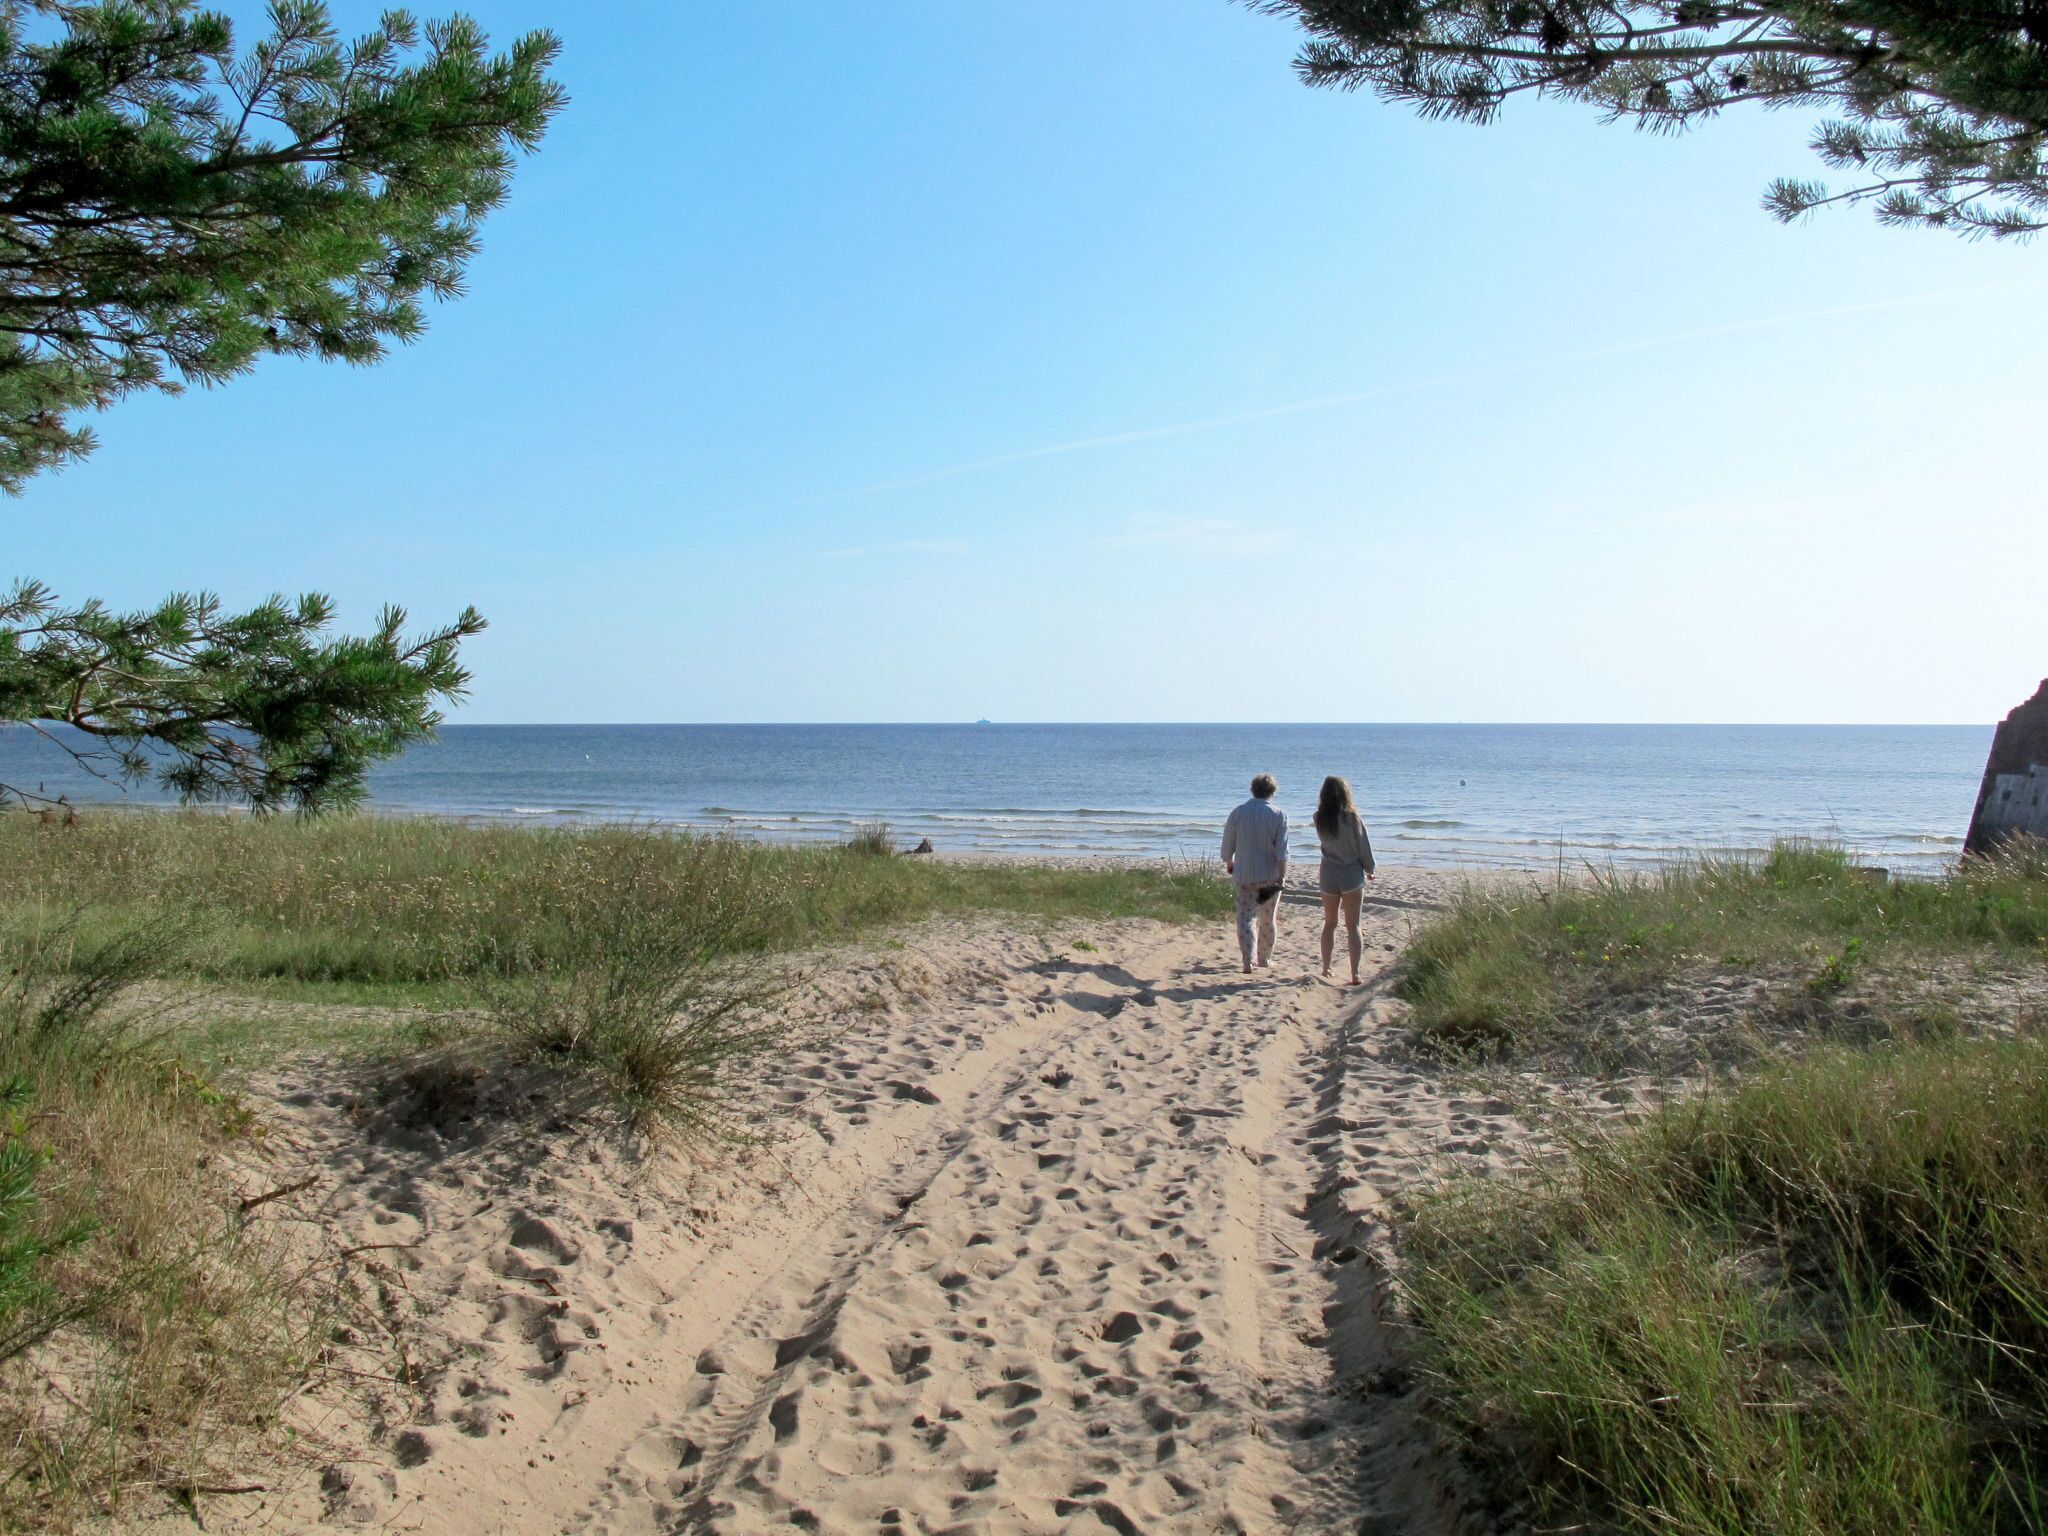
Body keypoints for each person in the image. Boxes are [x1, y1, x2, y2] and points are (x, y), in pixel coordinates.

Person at [1221, 773, 1288, 974]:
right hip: (1269, 873)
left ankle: (1247, 960)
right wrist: (1282, 875)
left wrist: (1229, 860)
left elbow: (1227, 843)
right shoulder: (1278, 814)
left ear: (1252, 790)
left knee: (1245, 917)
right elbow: (1282, 850)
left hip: (1245, 873)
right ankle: (1264, 958)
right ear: (1273, 792)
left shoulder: (1238, 812)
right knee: (1268, 918)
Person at [1313, 775, 1376, 984]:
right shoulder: (1352, 818)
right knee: (1353, 926)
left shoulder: (1319, 818)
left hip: (1329, 872)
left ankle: (1326, 967)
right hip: (1350, 873)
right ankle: (1355, 973)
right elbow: (1362, 845)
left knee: (1330, 923)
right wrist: (1370, 867)